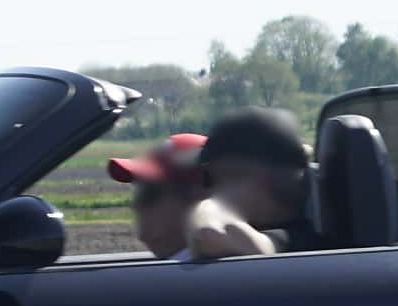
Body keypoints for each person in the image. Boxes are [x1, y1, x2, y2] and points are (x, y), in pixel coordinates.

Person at [183, 108, 313, 258]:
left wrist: (209, 206)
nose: (208, 190)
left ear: (262, 181)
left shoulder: (296, 242)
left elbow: (210, 235)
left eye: (212, 178)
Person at [104, 130, 207, 258]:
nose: (136, 206)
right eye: (138, 190)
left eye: (149, 193)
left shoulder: (211, 275)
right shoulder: (179, 271)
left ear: (200, 201)